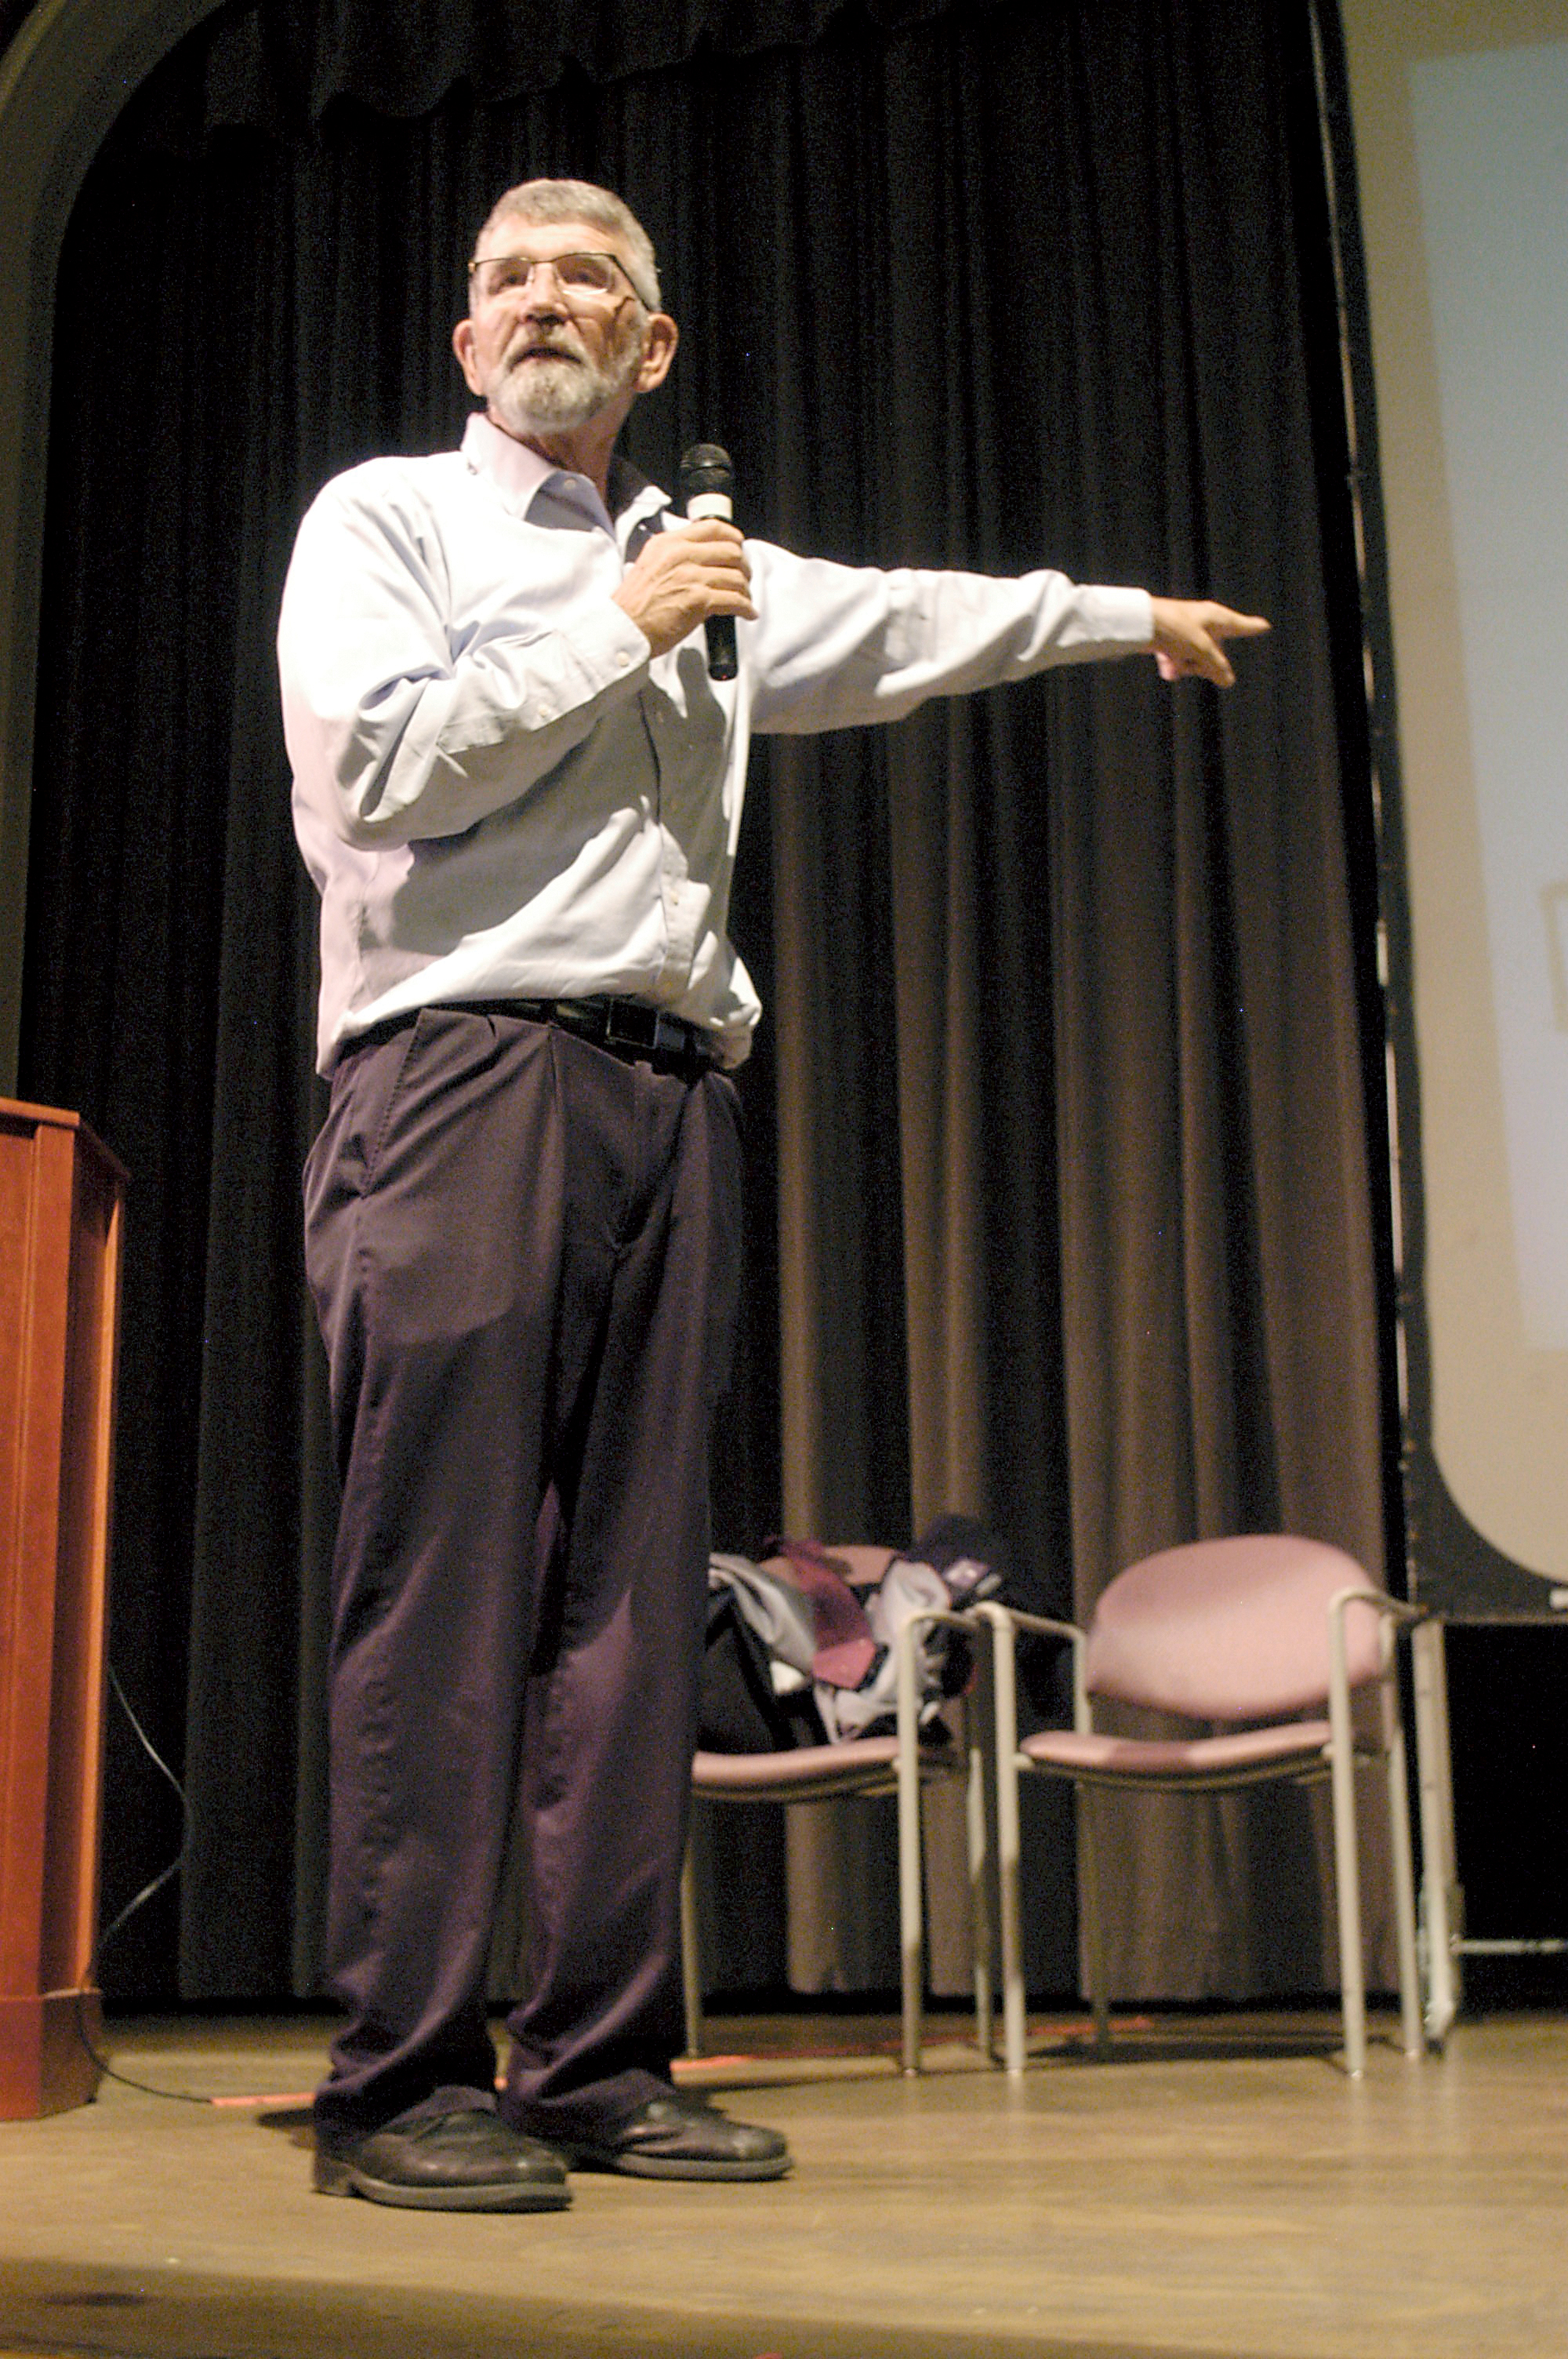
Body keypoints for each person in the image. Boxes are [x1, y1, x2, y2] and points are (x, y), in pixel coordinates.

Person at [278, 176, 1267, 2213]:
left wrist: (1114, 617)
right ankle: (394, 2081)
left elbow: (911, 616)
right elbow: (374, 772)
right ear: (468, 344)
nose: (545, 299)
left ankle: (598, 2065)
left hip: (670, 1095)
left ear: (650, 352)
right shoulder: (388, 522)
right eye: (508, 278)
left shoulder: (699, 560)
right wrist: (605, 630)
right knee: (446, 1589)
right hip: (461, 1077)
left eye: (592, 281)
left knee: (630, 1610)